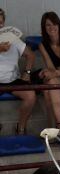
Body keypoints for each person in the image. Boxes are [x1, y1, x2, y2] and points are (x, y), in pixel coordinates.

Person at [0, 8, 36, 136]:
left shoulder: (13, 39)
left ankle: (20, 127)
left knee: (31, 96)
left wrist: (27, 72)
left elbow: (31, 55)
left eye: (1, 22)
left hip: (12, 80)